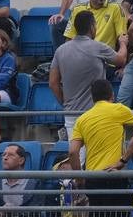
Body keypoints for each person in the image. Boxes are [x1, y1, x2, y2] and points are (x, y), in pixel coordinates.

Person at [67, 79, 133, 210]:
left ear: (93, 98)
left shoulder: (82, 119)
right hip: (115, 174)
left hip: (93, 177)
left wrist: (79, 177)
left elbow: (73, 152)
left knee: (98, 214)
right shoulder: (120, 109)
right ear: (112, 95)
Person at [50, 10, 119, 139]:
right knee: (96, 155)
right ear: (92, 27)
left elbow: (53, 83)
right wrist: (124, 43)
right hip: (95, 112)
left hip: (71, 114)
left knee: (77, 156)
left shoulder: (60, 50)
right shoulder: (99, 47)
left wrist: (65, 103)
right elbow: (121, 60)